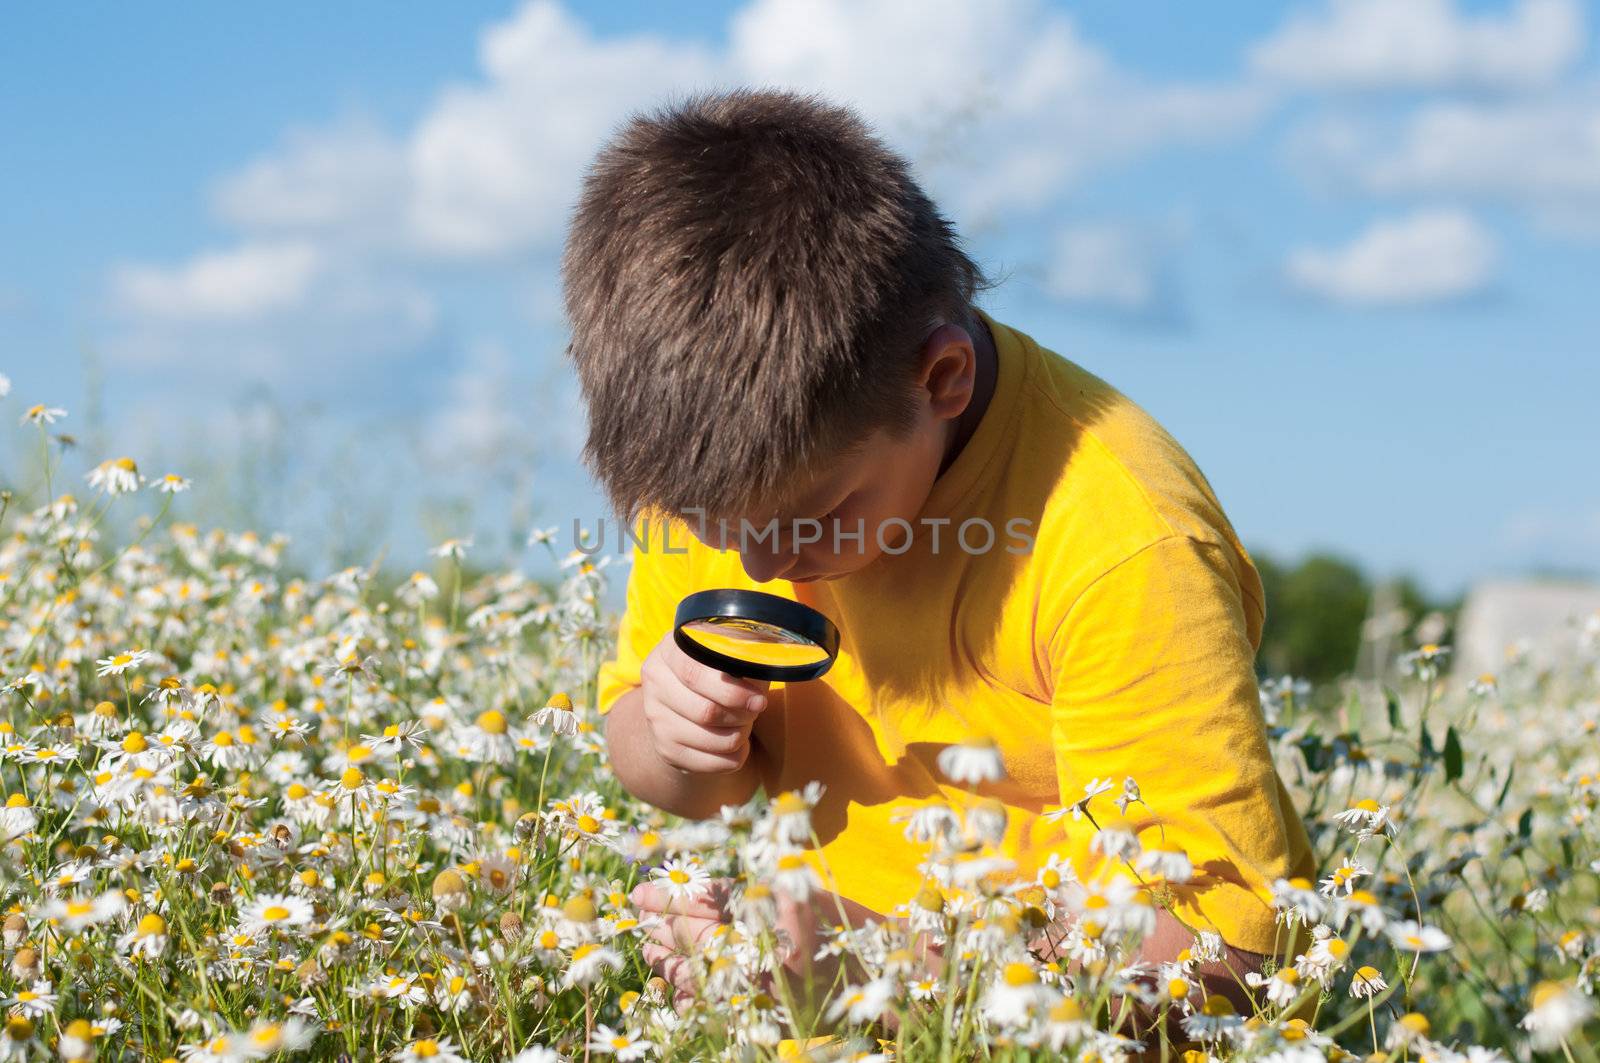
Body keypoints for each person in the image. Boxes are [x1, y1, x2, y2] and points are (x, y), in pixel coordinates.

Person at [560, 86, 1315, 1029]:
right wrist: (673, 738)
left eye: (815, 517)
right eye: (712, 529)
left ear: (943, 379)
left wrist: (882, 965)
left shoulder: (1121, 536)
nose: (759, 565)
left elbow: (1231, 946)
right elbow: (673, 768)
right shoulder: (731, 470)